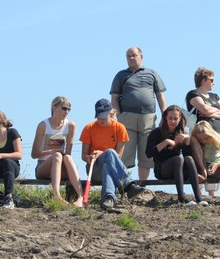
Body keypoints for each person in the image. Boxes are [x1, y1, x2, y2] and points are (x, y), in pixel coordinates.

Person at [110, 46, 167, 181]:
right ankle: (124, 185)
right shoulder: (120, 75)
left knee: (146, 152)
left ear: (141, 56)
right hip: (127, 117)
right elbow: (114, 98)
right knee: (125, 152)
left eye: (134, 55)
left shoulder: (152, 73)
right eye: (128, 56)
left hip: (148, 117)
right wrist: (118, 116)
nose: (131, 58)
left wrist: (164, 115)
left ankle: (142, 184)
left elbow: (160, 96)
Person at [79, 99, 146, 210]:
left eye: (104, 116)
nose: (101, 119)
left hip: (112, 168)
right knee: (110, 153)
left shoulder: (120, 128)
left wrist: (102, 153)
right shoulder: (89, 128)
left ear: (111, 114)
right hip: (94, 168)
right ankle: (128, 186)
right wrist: (90, 157)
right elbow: (83, 155)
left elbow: (118, 157)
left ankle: (109, 198)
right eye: (99, 116)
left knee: (108, 164)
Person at [145, 105, 207, 206]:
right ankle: (181, 197)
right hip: (162, 169)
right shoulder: (156, 133)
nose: (173, 121)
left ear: (180, 119)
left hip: (179, 170)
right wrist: (166, 142)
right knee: (178, 159)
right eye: (170, 118)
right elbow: (148, 153)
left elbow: (187, 157)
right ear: (165, 118)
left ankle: (198, 198)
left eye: (175, 118)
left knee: (188, 158)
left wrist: (187, 142)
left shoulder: (182, 133)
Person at [31, 96, 84, 207]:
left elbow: (68, 153)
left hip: (61, 166)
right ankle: (57, 195)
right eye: (64, 108)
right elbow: (34, 154)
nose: (67, 112)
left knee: (67, 157)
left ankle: (80, 196)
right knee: (57, 155)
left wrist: (58, 153)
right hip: (43, 167)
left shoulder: (70, 125)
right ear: (54, 108)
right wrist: (51, 151)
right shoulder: (43, 125)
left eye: (69, 109)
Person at [185, 67, 220, 134]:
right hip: (201, 134)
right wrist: (218, 109)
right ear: (204, 81)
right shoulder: (193, 94)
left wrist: (209, 115)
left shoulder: (214, 96)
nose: (213, 83)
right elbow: (204, 109)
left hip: (217, 134)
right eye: (211, 80)